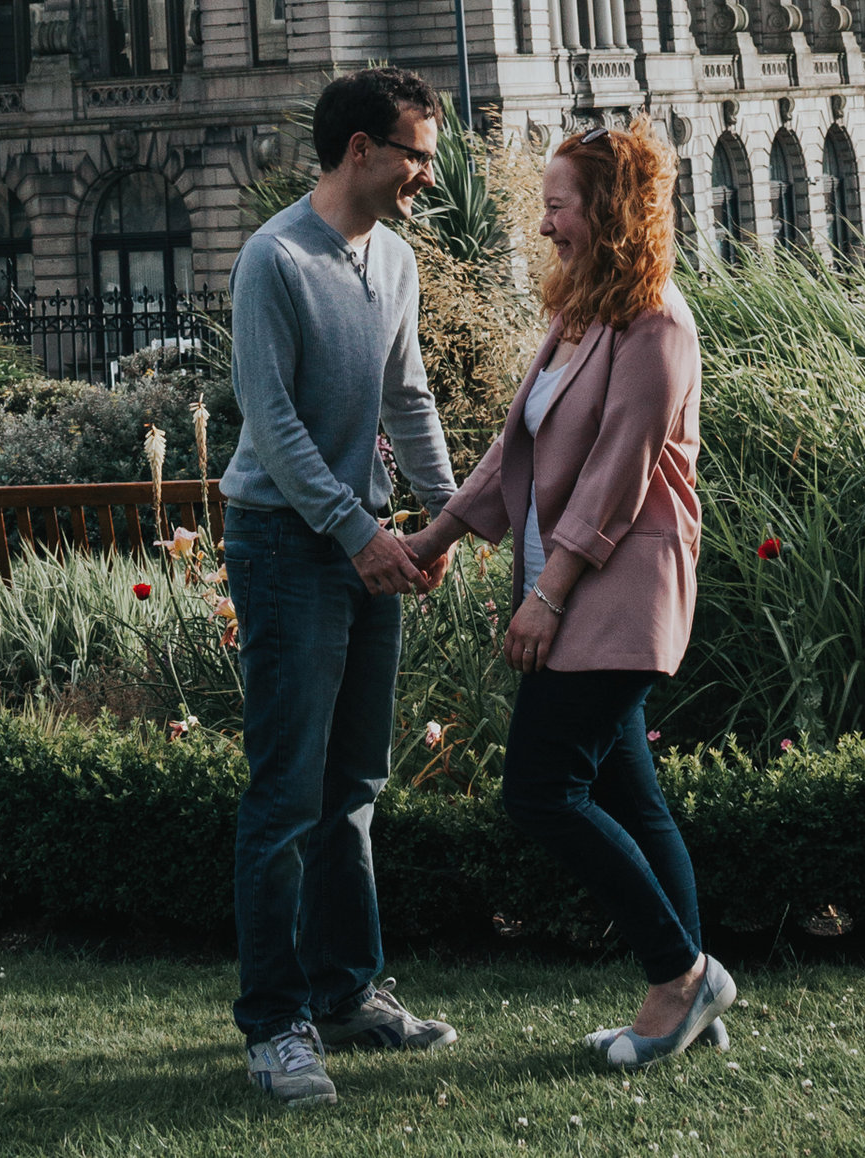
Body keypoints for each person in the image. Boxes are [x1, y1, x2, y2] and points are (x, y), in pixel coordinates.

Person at [406, 123, 732, 1071]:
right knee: (632, 796)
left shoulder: (657, 322)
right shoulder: (582, 313)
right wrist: (432, 538)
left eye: (558, 205)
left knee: (542, 790)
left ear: (611, 213)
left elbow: (618, 478)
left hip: (616, 595)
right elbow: (518, 454)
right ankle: (688, 999)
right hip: (580, 588)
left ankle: (681, 972)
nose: (544, 223)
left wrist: (547, 595)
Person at [222, 64, 463, 1107]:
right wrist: (357, 528)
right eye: (415, 153)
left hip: (362, 547)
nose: (426, 174)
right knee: (286, 796)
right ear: (359, 149)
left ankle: (347, 993)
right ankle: (275, 1026)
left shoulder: (396, 260)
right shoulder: (272, 259)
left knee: (355, 785)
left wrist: (444, 514)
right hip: (286, 545)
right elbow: (270, 428)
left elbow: (405, 396)